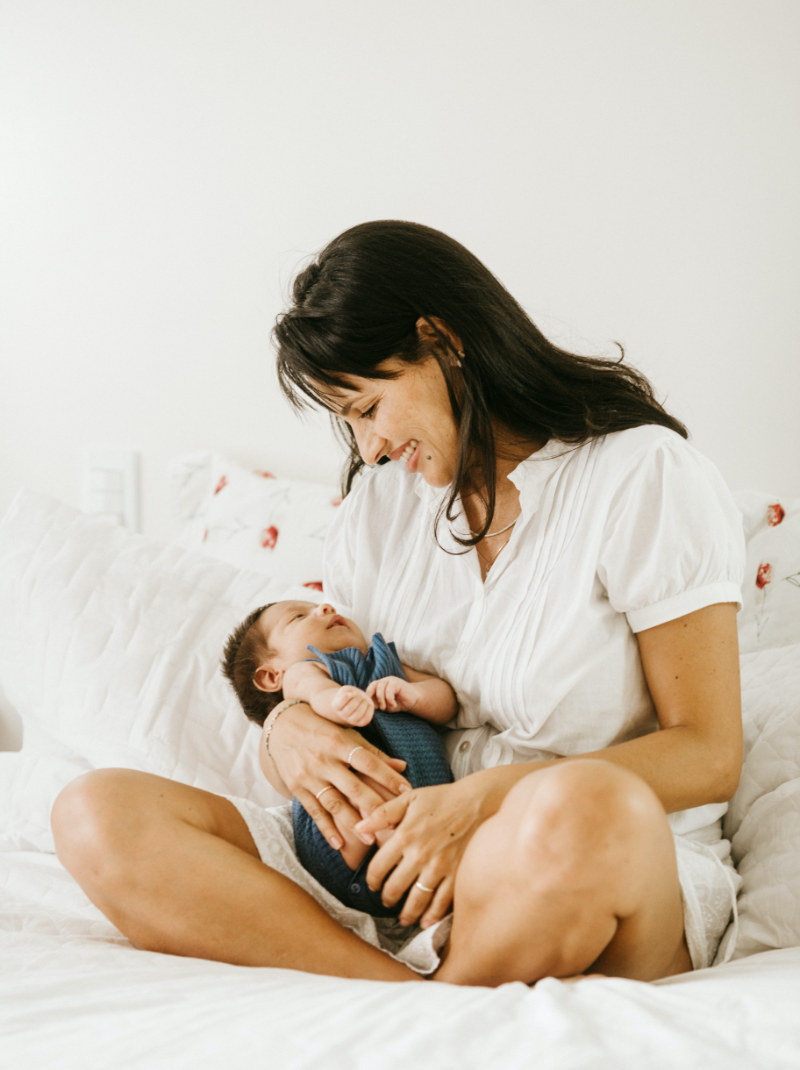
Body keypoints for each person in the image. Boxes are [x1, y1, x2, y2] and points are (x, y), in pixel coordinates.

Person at [51, 220, 745, 987]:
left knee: (588, 804)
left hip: (584, 867)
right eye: (347, 422)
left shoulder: (643, 475)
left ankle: (430, 1009)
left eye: (368, 407)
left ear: (440, 339)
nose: (371, 449)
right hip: (397, 880)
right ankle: (406, 1002)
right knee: (95, 812)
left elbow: (708, 753)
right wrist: (287, 729)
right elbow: (334, 684)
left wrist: (482, 803)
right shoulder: (382, 507)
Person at [220, 598, 455, 914]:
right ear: (271, 676)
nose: (325, 607)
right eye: (299, 616)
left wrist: (414, 696)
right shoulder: (304, 673)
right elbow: (316, 692)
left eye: (318, 605)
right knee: (361, 786)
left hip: (430, 817)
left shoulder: (384, 661)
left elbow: (446, 702)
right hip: (343, 844)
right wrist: (337, 700)